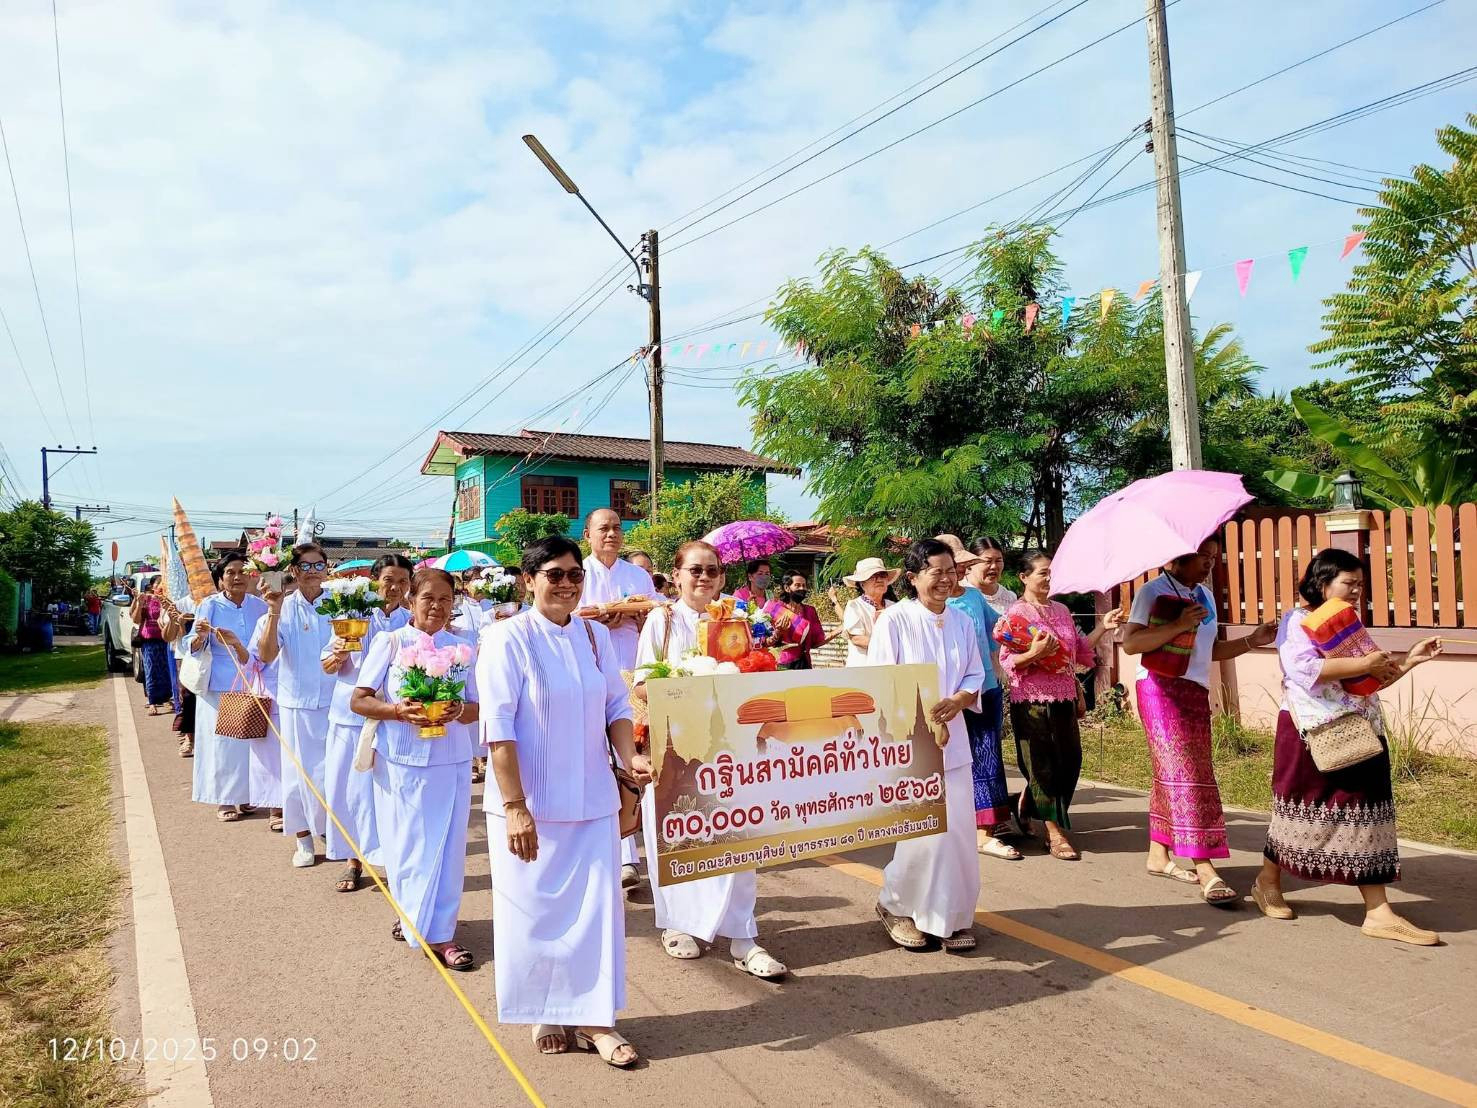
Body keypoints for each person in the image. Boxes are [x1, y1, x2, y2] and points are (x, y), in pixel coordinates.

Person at [478, 536, 652, 1067]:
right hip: (529, 805)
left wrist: (628, 765)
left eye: (575, 575)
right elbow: (499, 729)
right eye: (554, 574)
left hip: (594, 799)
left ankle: (596, 1018)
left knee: (596, 914)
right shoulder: (505, 638)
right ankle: (546, 1011)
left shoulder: (596, 636)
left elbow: (617, 706)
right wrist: (514, 806)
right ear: (528, 580)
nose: (567, 584)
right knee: (534, 914)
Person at [1254, 549, 1442, 943]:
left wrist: (1410, 661)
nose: (1357, 591)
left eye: (1360, 584)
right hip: (1312, 732)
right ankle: (1267, 881)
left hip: (1360, 730)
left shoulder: (1347, 623)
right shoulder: (1297, 621)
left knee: (1367, 810)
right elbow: (1304, 671)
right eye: (1349, 582)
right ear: (1322, 583)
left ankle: (1378, 911)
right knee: (1298, 809)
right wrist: (1365, 663)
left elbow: (1369, 680)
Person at [633, 540, 787, 979]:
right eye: (695, 570)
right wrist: (688, 684)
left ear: (722, 577)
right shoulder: (660, 622)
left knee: (739, 836)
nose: (704, 578)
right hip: (677, 745)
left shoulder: (738, 619)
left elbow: (759, 674)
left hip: (731, 747)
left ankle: (744, 936)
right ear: (677, 575)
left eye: (712, 571)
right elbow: (642, 685)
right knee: (681, 834)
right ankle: (678, 923)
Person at [1122, 538, 1277, 905]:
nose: (1209, 564)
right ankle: (1205, 867)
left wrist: (1252, 641)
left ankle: (1158, 855)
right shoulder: (1152, 591)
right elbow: (1131, 645)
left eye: (1212, 558)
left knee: (1176, 771)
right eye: (1202, 558)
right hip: (1160, 690)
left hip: (1194, 691)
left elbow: (1212, 650)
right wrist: (1177, 625)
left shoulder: (1204, 596)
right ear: (1178, 558)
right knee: (1188, 774)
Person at [351, 568, 480, 970]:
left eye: (445, 599)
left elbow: (479, 707)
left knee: (447, 848)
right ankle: (412, 917)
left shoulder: (464, 647)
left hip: (452, 759)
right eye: (428, 599)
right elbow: (359, 700)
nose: (437, 607)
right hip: (401, 762)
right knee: (407, 847)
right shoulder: (390, 643)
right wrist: (396, 711)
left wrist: (460, 711)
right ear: (411, 601)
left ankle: (441, 934)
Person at [869, 539, 986, 951]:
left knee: (956, 832)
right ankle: (896, 905)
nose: (945, 578)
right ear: (914, 577)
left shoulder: (962, 621)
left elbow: (974, 676)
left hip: (954, 741)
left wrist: (958, 700)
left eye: (950, 570)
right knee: (922, 832)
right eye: (935, 571)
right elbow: (883, 681)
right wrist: (918, 719)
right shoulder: (895, 619)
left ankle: (948, 917)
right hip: (911, 741)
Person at [1000, 552, 1121, 860]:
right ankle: (1054, 833)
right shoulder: (1017, 614)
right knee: (1041, 766)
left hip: (1065, 697)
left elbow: (1079, 652)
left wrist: (1103, 627)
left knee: (1070, 762)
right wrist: (1035, 653)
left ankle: (1024, 805)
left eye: (1051, 573)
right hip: (1030, 700)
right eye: (1042, 573)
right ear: (1024, 577)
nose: (1049, 579)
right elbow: (1007, 662)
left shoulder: (1063, 610)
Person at [320, 554, 413, 891]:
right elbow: (328, 665)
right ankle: (352, 859)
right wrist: (340, 653)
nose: (395, 587)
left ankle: (391, 858)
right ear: (376, 580)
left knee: (388, 792)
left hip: (394, 717)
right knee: (348, 791)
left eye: (403, 581)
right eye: (389, 579)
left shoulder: (411, 620)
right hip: (350, 718)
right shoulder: (354, 613)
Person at [577, 507, 658, 889]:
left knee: (631, 758)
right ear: (588, 534)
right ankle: (612, 850)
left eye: (616, 528)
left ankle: (631, 852)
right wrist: (599, 618)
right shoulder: (578, 573)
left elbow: (656, 614)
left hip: (630, 672)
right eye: (603, 529)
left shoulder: (636, 574)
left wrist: (638, 617)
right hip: (589, 672)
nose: (611, 534)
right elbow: (567, 615)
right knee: (598, 758)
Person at [253, 544, 337, 870]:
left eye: (319, 565)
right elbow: (266, 655)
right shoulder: (283, 608)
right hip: (296, 705)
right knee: (296, 777)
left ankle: (332, 831)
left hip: (335, 704)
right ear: (294, 571)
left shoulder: (342, 604)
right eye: (306, 566)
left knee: (333, 775)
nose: (313, 572)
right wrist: (273, 611)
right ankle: (302, 838)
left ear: (327, 569)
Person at [933, 535, 1016, 861]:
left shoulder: (972, 597)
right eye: (957, 565)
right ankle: (953, 825)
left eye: (964, 565)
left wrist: (1024, 638)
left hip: (985, 688)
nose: (961, 571)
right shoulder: (932, 607)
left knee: (987, 755)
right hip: (948, 695)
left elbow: (998, 631)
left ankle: (986, 831)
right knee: (948, 760)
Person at [184, 553, 268, 822]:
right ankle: (225, 799)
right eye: (230, 573)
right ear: (220, 580)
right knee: (222, 744)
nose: (237, 577)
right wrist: (200, 636)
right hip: (219, 684)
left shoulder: (261, 606)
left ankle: (246, 796)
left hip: (254, 681)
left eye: (242, 572)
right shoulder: (209, 605)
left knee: (250, 743)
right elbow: (192, 644)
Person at [839, 557, 899, 667]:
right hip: (863, 669)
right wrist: (888, 646)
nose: (879, 580)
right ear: (862, 584)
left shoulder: (894, 607)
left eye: (882, 576)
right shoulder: (855, 606)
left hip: (890, 668)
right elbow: (856, 639)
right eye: (873, 577)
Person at [763, 573, 826, 669]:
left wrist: (839, 630)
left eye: (804, 586)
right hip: (781, 664)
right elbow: (765, 642)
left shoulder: (809, 611)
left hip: (804, 664)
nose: (802, 589)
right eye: (797, 585)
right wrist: (778, 632)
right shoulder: (774, 609)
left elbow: (817, 641)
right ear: (787, 588)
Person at [130, 576, 173, 714]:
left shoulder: (169, 600)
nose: (161, 586)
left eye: (164, 584)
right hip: (150, 640)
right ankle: (152, 701)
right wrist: (139, 602)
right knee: (151, 671)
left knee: (167, 671)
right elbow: (136, 620)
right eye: (158, 584)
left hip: (167, 639)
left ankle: (167, 698)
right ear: (153, 587)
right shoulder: (147, 599)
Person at [970, 538, 1016, 618]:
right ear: (971, 563)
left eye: (998, 561)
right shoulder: (957, 595)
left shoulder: (1010, 598)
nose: (994, 566)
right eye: (988, 561)